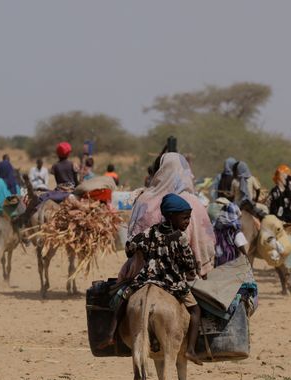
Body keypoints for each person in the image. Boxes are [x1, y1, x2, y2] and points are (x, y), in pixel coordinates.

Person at [101, 193, 204, 365]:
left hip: (145, 279)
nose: (187, 222)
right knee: (195, 311)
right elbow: (189, 266)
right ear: (171, 216)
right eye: (185, 218)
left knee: (122, 298)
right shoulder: (181, 238)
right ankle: (191, 350)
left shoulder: (149, 232)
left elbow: (129, 247)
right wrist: (191, 272)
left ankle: (111, 334)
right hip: (173, 283)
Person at [128, 152, 216, 276]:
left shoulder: (143, 200)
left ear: (160, 171)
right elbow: (206, 246)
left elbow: (131, 244)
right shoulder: (192, 202)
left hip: (139, 273)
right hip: (180, 279)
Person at [212, 198, 249, 266]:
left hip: (217, 258)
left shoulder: (216, 226)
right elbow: (240, 244)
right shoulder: (234, 230)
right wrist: (245, 256)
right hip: (230, 258)